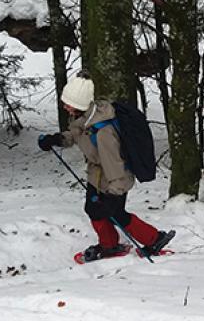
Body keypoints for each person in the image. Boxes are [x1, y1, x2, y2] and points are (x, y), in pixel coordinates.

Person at [37, 74, 175, 261]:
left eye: (68, 104)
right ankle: (109, 245)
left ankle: (154, 239)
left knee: (116, 214)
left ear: (80, 104)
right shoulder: (86, 116)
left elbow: (115, 164)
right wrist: (56, 140)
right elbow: (77, 133)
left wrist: (113, 193)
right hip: (97, 174)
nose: (65, 107)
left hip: (115, 179)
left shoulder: (103, 132)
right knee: (94, 210)